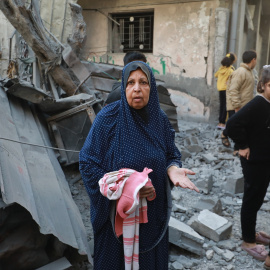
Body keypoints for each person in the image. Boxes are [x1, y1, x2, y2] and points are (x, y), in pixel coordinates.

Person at [79, 61, 199, 269]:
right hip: (116, 218)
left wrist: (172, 168)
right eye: (131, 82)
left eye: (143, 82)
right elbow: (87, 164)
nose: (137, 88)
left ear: (151, 87)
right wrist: (127, 188)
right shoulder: (108, 119)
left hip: (152, 216)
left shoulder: (159, 119)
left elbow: (172, 153)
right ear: (124, 86)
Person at [226, 65, 270, 263]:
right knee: (251, 200)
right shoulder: (258, 104)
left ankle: (252, 233)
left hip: (264, 160)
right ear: (267, 85)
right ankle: (248, 241)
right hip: (254, 162)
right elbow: (232, 124)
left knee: (258, 197)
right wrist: (242, 145)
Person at [221, 50, 257, 150]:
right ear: (253, 60)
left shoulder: (249, 72)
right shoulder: (240, 72)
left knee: (242, 128)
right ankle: (225, 134)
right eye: (256, 60)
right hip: (236, 106)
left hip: (244, 106)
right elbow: (233, 89)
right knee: (236, 127)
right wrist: (237, 106)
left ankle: (237, 148)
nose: (256, 62)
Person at [214, 53, 236, 130]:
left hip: (220, 89)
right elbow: (234, 78)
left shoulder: (221, 69)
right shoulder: (230, 70)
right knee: (225, 107)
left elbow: (215, 75)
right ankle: (223, 123)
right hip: (226, 89)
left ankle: (220, 122)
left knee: (221, 105)